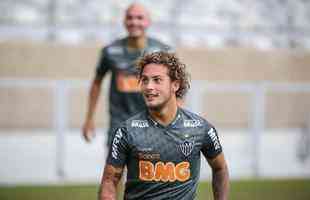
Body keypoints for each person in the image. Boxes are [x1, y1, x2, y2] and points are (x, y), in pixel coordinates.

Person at [98, 52, 230, 200]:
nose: (149, 87)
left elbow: (220, 168)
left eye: (157, 80)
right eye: (144, 80)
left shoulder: (201, 128)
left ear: (175, 84)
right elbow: (110, 181)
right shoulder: (127, 131)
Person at [82, 3, 171, 145]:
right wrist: (89, 118)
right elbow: (96, 82)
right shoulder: (110, 51)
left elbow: (175, 86)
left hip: (153, 125)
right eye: (130, 18)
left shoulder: (163, 51)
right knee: (115, 168)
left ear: (148, 22)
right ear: (124, 21)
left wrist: (175, 121)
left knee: (149, 167)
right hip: (120, 125)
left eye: (139, 18)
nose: (134, 22)